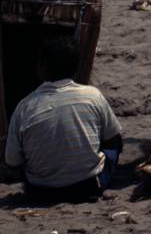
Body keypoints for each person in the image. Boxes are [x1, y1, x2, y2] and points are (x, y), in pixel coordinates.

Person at [5, 35, 123, 203]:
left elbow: (12, 160)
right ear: (76, 66)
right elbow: (113, 138)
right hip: (88, 187)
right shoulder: (92, 95)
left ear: (42, 68)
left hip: (40, 192)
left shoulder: (24, 106)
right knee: (114, 140)